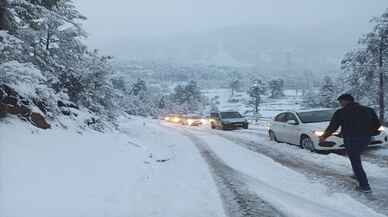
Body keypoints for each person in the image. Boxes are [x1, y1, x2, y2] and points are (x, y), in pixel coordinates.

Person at [319, 94, 381, 193]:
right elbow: (377, 124)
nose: (340, 104)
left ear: (345, 101)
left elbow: (333, 127)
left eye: (341, 102)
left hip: (351, 139)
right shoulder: (368, 109)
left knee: (355, 161)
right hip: (366, 139)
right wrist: (370, 132)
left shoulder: (341, 112)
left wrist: (323, 137)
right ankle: (358, 175)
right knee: (356, 157)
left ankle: (365, 186)